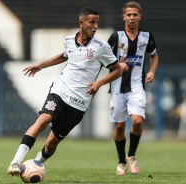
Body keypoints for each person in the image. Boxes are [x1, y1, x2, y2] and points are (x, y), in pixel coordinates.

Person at [6, 6, 122, 176]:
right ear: (81, 23)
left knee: (52, 142)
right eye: (92, 22)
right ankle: (15, 163)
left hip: (79, 103)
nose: (95, 26)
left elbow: (117, 70)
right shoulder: (69, 40)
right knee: (43, 120)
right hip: (60, 90)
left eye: (97, 22)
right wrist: (41, 65)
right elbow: (65, 55)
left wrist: (99, 83)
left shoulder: (101, 47)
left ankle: (37, 164)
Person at [107, 1, 159, 175]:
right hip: (117, 87)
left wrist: (151, 71)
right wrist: (116, 66)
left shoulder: (146, 36)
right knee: (120, 127)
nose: (131, 18)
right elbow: (105, 58)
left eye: (135, 15)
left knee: (137, 120)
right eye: (128, 15)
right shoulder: (116, 37)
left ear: (140, 16)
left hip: (137, 86)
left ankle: (132, 155)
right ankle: (121, 161)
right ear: (123, 17)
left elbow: (154, 56)